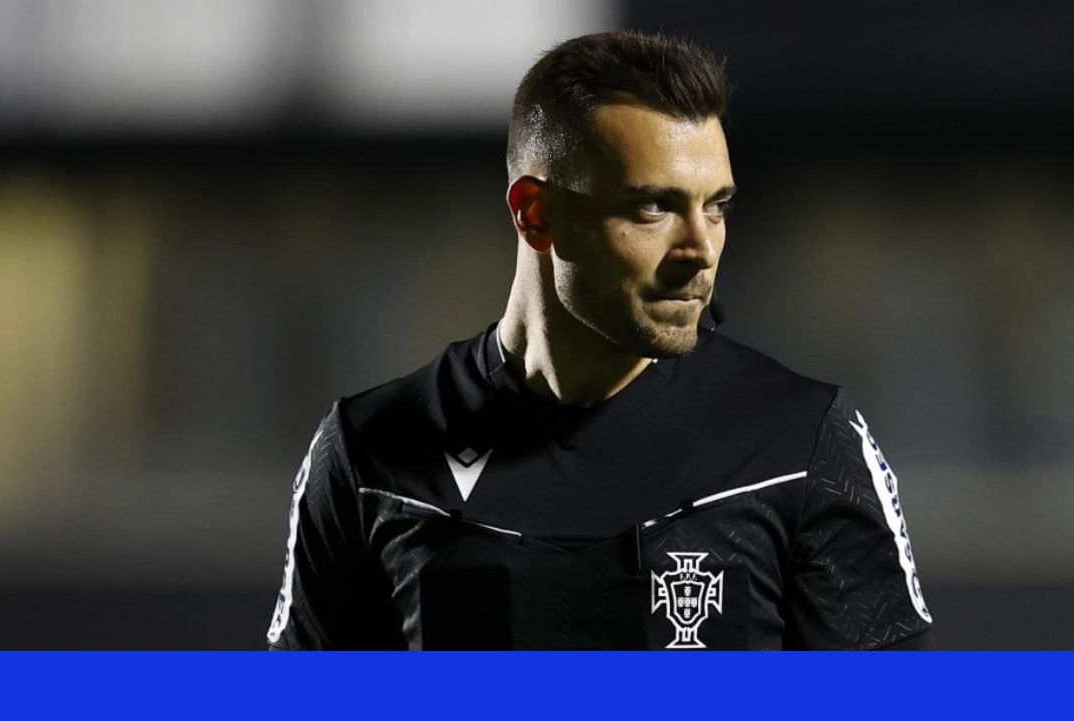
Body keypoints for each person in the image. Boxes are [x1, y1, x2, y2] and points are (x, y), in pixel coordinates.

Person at [266, 30, 935, 650]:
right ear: (536, 214)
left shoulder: (801, 444)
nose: (700, 249)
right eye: (654, 206)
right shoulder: (368, 457)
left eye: (716, 206)